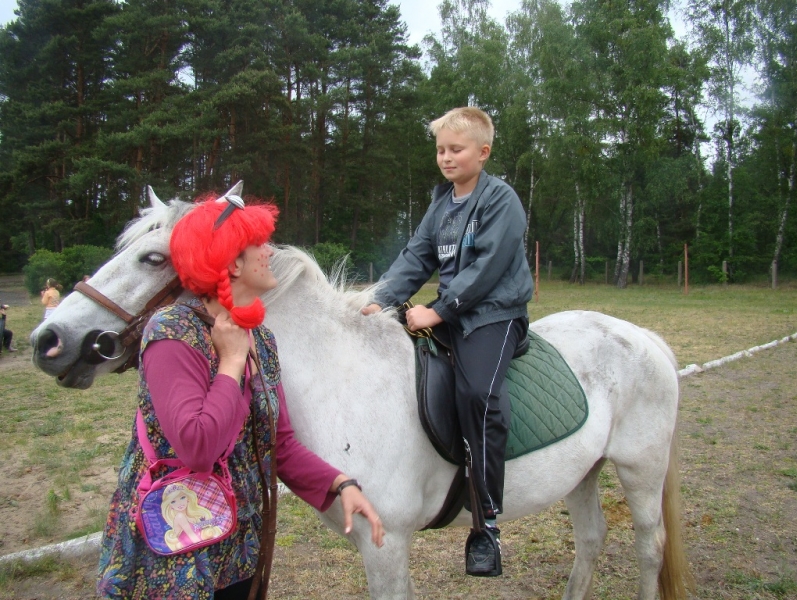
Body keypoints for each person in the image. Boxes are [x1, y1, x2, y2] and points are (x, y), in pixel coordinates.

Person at [97, 192, 384, 599]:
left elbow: (279, 445)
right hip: (172, 554)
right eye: (260, 245)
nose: (270, 252)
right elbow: (198, 446)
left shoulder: (261, 340)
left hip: (236, 548)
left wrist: (341, 484)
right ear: (232, 263)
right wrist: (231, 363)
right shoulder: (172, 333)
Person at [361, 107, 533, 577]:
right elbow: (416, 256)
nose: (446, 157)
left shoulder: (501, 200)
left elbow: (488, 268)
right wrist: (381, 299)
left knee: (479, 395)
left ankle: (487, 524)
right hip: (452, 313)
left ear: (483, 151)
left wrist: (437, 310)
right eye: (440, 149)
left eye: (456, 149)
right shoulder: (442, 204)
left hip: (494, 314)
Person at [161, 482, 224, 552]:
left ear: (187, 498)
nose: (179, 503)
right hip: (196, 549)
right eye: (173, 502)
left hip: (198, 547)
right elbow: (192, 536)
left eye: (182, 497)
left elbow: (201, 528)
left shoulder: (189, 516)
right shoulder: (180, 517)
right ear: (170, 506)